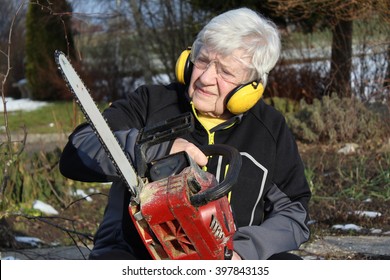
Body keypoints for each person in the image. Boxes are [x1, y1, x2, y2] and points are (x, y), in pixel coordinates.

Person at [59, 7, 311, 260]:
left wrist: (243, 253)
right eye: (202, 61)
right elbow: (76, 152)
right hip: (136, 255)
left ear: (251, 87)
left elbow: (294, 213)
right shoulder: (150, 103)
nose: (205, 78)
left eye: (225, 72)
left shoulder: (270, 128)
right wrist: (155, 148)